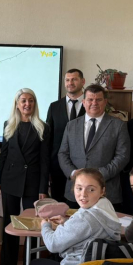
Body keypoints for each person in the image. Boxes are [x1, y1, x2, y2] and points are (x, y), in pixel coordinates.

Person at [0, 88, 51, 265]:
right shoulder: (8, 125)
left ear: (35, 104)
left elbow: (45, 161)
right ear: (17, 104)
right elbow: (3, 155)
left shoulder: (43, 127)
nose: (27, 104)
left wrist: (43, 188)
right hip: (10, 181)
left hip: (32, 183)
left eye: (31, 100)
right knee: (9, 225)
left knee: (31, 227)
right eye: (23, 100)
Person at [58, 84, 130, 209]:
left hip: (106, 192)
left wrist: (99, 175)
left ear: (105, 102)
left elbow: (122, 156)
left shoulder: (118, 125)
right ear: (84, 102)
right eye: (90, 99)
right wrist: (73, 173)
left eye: (98, 99)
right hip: (76, 192)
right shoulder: (71, 125)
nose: (94, 103)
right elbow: (62, 153)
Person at [46, 69, 86, 203]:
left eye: (74, 79)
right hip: (58, 167)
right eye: (67, 80)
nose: (70, 83)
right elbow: (48, 139)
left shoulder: (90, 105)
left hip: (83, 167)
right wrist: (48, 169)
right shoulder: (54, 107)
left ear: (83, 81)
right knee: (59, 206)